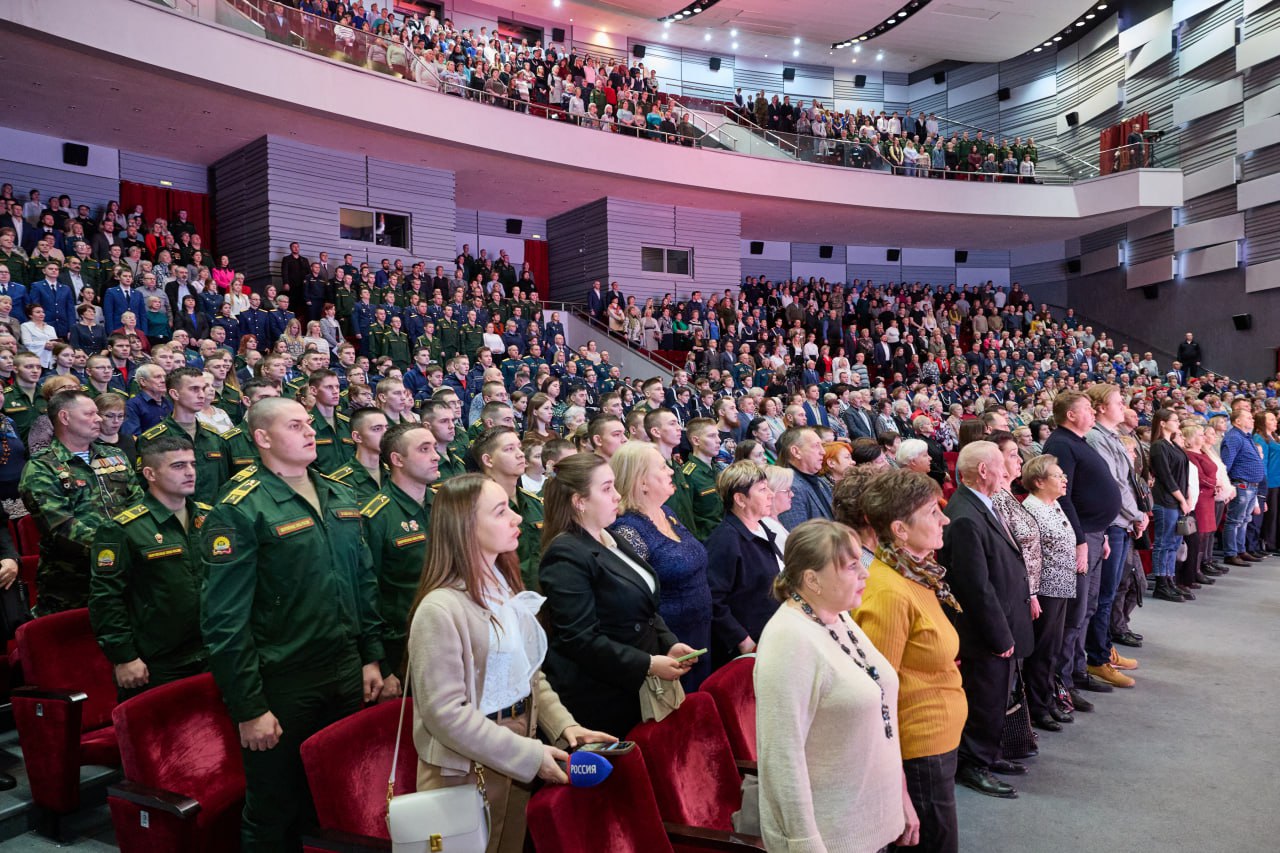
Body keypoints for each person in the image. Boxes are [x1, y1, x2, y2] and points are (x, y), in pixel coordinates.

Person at [200, 397, 390, 851]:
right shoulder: (239, 508)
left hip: (344, 669)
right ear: (262, 438)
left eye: (310, 423)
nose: (310, 431)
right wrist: (249, 707)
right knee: (274, 807)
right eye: (295, 425)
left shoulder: (338, 493)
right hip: (283, 681)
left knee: (336, 796)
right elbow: (224, 620)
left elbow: (362, 581)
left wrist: (371, 657)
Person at [408, 473, 617, 853]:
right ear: (466, 527)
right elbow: (446, 714)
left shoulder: (501, 586)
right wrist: (530, 756)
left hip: (513, 756)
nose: (518, 518)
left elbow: (529, 676)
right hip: (463, 774)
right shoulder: (439, 609)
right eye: (501, 511)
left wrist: (565, 726)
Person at [756, 519, 916, 853]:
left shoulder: (835, 614)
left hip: (872, 820)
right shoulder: (789, 640)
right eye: (851, 566)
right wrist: (804, 845)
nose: (866, 575)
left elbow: (881, 712)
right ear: (812, 580)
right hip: (832, 838)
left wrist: (900, 796)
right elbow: (782, 758)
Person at [538, 453, 697, 736]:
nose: (617, 495)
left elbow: (644, 605)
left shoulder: (611, 538)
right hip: (602, 697)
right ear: (580, 501)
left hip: (633, 684)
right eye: (607, 488)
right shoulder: (566, 554)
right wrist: (647, 663)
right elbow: (580, 639)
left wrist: (668, 643)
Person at [856, 469, 966, 853]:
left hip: (937, 740)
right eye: (933, 513)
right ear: (900, 529)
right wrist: (897, 788)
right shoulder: (888, 591)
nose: (945, 519)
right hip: (918, 752)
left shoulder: (915, 573)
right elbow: (876, 696)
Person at [938, 441, 1033, 798]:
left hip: (1000, 622)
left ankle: (989, 754)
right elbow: (974, 587)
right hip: (984, 631)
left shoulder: (979, 505)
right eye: (1000, 465)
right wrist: (1000, 635)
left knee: (994, 699)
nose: (1008, 471)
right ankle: (974, 765)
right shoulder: (964, 515)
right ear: (982, 470)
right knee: (984, 699)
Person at [89, 435, 210, 701]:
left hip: (212, 648)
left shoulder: (209, 518)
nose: (190, 472)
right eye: (178, 466)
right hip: (159, 660)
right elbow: (107, 599)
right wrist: (124, 657)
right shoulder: (122, 529)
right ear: (150, 474)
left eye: (192, 464)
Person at [20, 391, 142, 615]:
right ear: (65, 418)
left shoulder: (115, 456)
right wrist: (119, 549)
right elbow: (60, 527)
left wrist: (143, 540)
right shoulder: (41, 467)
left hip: (126, 576)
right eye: (90, 414)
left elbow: (138, 505)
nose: (98, 419)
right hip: (73, 586)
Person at [608, 442, 712, 689]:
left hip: (700, 630)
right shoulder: (627, 530)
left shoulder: (666, 512)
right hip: (669, 646)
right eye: (662, 467)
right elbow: (633, 601)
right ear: (642, 481)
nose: (670, 471)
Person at [362, 422, 438, 679]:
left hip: (450, 632)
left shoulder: (445, 505)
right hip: (403, 645)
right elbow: (368, 591)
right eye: (424, 449)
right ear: (397, 459)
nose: (436, 456)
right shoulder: (376, 516)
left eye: (435, 448)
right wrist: (381, 664)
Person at [1018, 455, 1081, 730]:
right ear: (1039, 481)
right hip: (1045, 589)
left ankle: (1047, 700)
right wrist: (1032, 594)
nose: (1064, 479)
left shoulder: (1053, 503)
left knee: (1052, 648)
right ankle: (1037, 707)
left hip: (1061, 586)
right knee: (1042, 650)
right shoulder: (1031, 509)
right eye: (1058, 475)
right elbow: (1029, 556)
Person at [704, 460, 783, 670]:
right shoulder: (725, 541)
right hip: (750, 651)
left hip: (772, 636)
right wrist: (742, 640)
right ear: (740, 499)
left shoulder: (763, 527)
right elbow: (713, 599)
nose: (771, 495)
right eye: (762, 490)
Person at [135, 367, 230, 505]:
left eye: (203, 389)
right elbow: (145, 487)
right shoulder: (152, 439)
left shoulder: (215, 437)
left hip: (212, 517)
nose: (202, 395)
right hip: (172, 517)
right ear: (175, 394)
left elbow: (224, 483)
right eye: (194, 389)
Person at [1149, 407, 1194, 602]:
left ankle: (1170, 579)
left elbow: (1183, 474)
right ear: (1163, 423)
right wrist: (1182, 499)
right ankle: (1161, 583)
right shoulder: (1159, 446)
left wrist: (1186, 498)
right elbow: (1166, 477)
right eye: (1174, 420)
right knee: (1164, 543)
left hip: (1176, 501)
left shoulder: (1173, 444)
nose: (1177, 423)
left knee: (1174, 543)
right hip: (1166, 500)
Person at [1220, 405, 1265, 567]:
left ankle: (1240, 550)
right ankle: (1231, 553)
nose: (1252, 419)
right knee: (1235, 520)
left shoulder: (1245, 436)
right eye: (1248, 417)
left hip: (1251, 485)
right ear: (1237, 421)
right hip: (1241, 484)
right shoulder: (1234, 437)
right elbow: (1226, 463)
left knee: (1244, 519)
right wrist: (1228, 485)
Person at [777, 426, 834, 528]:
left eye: (822, 445)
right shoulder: (790, 488)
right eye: (816, 446)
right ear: (796, 452)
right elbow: (799, 539)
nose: (823, 452)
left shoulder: (821, 482)